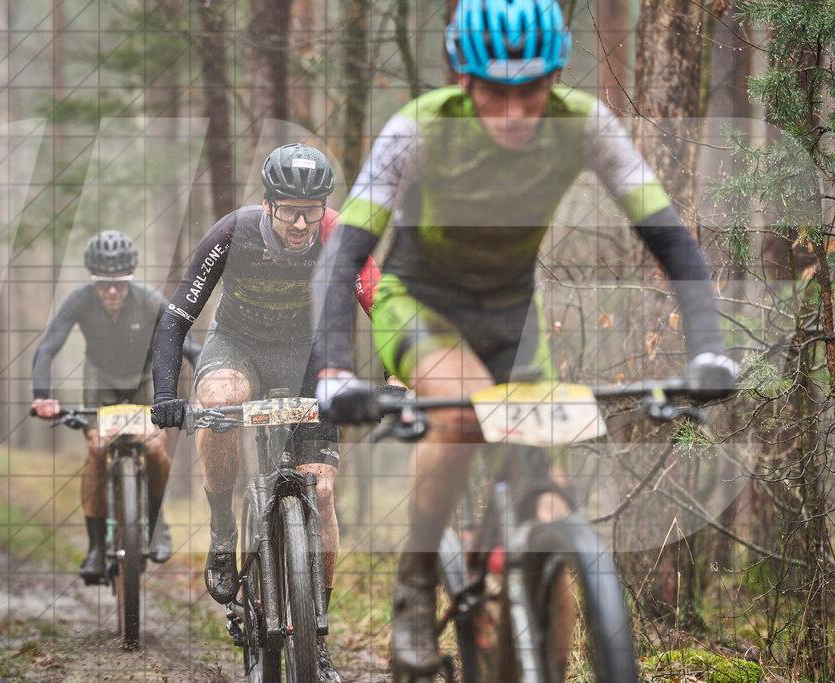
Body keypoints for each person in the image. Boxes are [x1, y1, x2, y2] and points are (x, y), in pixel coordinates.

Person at [312, 0, 738, 677]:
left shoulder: (585, 124)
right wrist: (335, 368)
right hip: (420, 305)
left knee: (547, 503)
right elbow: (343, 258)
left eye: (531, 90)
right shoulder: (414, 131)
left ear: (557, 76)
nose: (514, 112)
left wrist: (709, 348)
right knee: (462, 412)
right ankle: (416, 584)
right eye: (495, 92)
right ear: (463, 78)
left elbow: (672, 241)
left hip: (513, 317)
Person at [150, 143, 380, 683]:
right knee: (221, 402)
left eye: (313, 209)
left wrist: (398, 376)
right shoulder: (234, 233)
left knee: (320, 490)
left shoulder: (336, 236)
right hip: (238, 347)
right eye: (290, 210)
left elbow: (385, 305)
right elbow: (175, 317)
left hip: (308, 358)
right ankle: (224, 529)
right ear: (268, 204)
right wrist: (165, 393)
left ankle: (315, 636)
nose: (302, 222)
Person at [31, 230, 201, 583]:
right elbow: (48, 346)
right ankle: (95, 547)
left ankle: (155, 525)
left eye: (119, 284)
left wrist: (210, 384)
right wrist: (42, 394)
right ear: (93, 279)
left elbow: (190, 346)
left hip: (142, 380)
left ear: (132, 278)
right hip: (101, 381)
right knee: (97, 448)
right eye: (103, 284)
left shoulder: (149, 300)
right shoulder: (80, 300)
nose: (111, 291)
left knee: (154, 448)